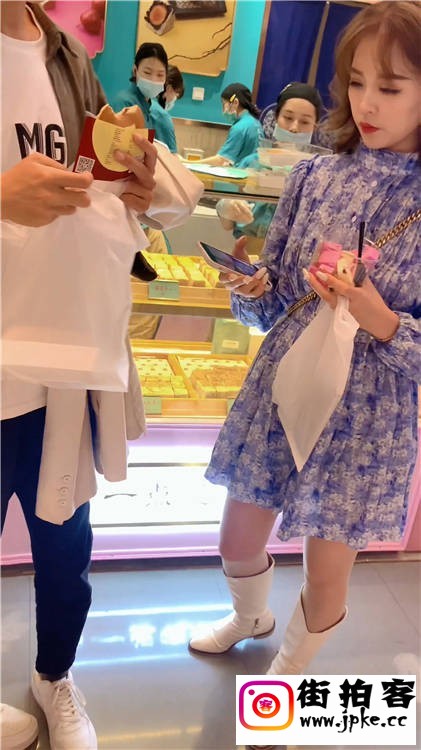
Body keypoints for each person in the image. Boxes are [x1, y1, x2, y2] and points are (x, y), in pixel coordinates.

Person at [189, 9, 420, 750]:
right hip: (285, 381)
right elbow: (273, 301)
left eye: (390, 87)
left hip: (368, 409)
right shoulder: (314, 173)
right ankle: (250, 615)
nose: (366, 103)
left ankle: (284, 682)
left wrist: (380, 318)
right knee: (237, 536)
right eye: (356, 82)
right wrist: (251, 285)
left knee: (327, 568)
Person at [1, 2, 156, 749]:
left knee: (66, 553)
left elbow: (102, 184)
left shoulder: (66, 56)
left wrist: (134, 182)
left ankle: (55, 676)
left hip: (58, 369)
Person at [216, 82, 324, 255]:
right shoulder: (252, 163)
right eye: (288, 118)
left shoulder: (320, 175)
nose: (294, 128)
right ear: (275, 118)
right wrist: (226, 208)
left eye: (304, 122)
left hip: (291, 261)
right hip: (244, 255)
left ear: (315, 126)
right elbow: (227, 225)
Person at [113, 41, 178, 153]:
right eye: (147, 73)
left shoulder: (156, 111)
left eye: (160, 75)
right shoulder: (124, 104)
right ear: (135, 71)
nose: (153, 79)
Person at [198, 82, 262, 167]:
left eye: (224, 103)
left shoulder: (240, 127)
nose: (223, 109)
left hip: (242, 173)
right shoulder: (257, 124)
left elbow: (221, 160)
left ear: (235, 102)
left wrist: (189, 162)